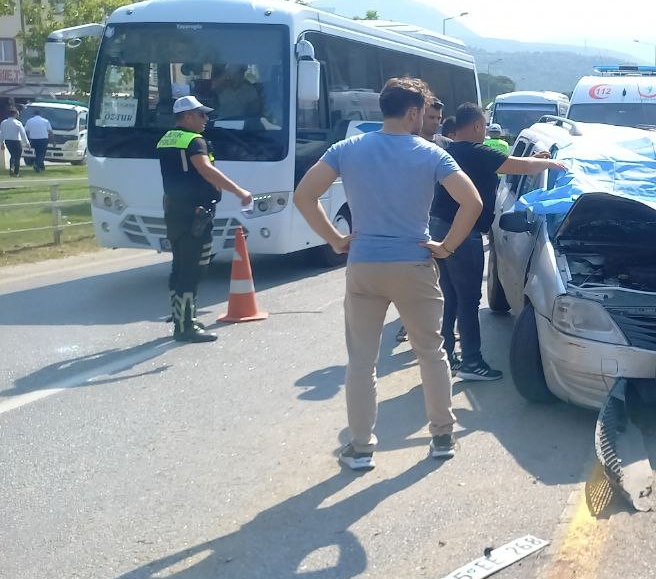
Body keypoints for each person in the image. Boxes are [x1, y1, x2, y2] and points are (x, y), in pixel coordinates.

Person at [294, 77, 483, 469]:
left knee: (362, 362)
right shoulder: (431, 155)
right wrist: (445, 248)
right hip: (414, 263)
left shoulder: (347, 149)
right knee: (431, 352)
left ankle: (361, 448)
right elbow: (473, 202)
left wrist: (335, 238)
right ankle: (442, 437)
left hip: (364, 264)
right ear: (414, 112)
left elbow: (303, 196)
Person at [428, 102, 563, 379]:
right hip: (463, 234)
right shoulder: (476, 150)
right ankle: (472, 362)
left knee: (451, 295)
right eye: (485, 125)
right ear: (477, 126)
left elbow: (506, 168)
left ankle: (445, 355)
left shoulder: (453, 150)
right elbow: (519, 167)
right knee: (468, 299)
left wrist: (535, 157)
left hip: (440, 227)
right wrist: (550, 163)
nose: (486, 130)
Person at [157, 96, 254, 342]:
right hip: (194, 213)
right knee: (193, 268)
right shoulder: (194, 141)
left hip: (175, 210)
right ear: (187, 116)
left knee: (179, 264)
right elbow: (206, 170)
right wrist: (238, 190)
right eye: (201, 114)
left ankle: (181, 316)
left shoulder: (168, 138)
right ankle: (185, 327)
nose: (206, 119)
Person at [2, 108, 29, 176]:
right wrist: (27, 142)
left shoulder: (3, 122)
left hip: (8, 141)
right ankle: (16, 172)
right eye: (17, 113)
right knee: (17, 156)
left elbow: (2, 133)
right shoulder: (18, 123)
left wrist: (1, 143)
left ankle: (11, 167)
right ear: (14, 114)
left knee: (12, 155)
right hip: (16, 141)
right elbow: (23, 134)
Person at [24, 108, 51, 173]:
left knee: (37, 153)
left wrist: (28, 139)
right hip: (43, 139)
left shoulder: (29, 121)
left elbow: (26, 131)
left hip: (33, 139)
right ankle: (37, 164)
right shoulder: (45, 121)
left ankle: (41, 167)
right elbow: (50, 131)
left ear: (34, 114)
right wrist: (53, 140)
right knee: (42, 153)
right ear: (40, 114)